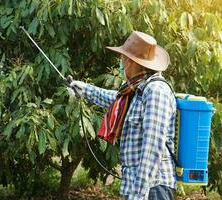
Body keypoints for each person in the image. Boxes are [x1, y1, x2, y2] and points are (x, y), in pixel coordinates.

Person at [68, 31, 177, 200]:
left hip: (152, 188)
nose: (121, 61)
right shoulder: (136, 90)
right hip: (140, 186)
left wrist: (139, 195)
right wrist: (84, 89)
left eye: (123, 57)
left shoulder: (156, 92)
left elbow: (152, 148)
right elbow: (116, 100)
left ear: (131, 62)